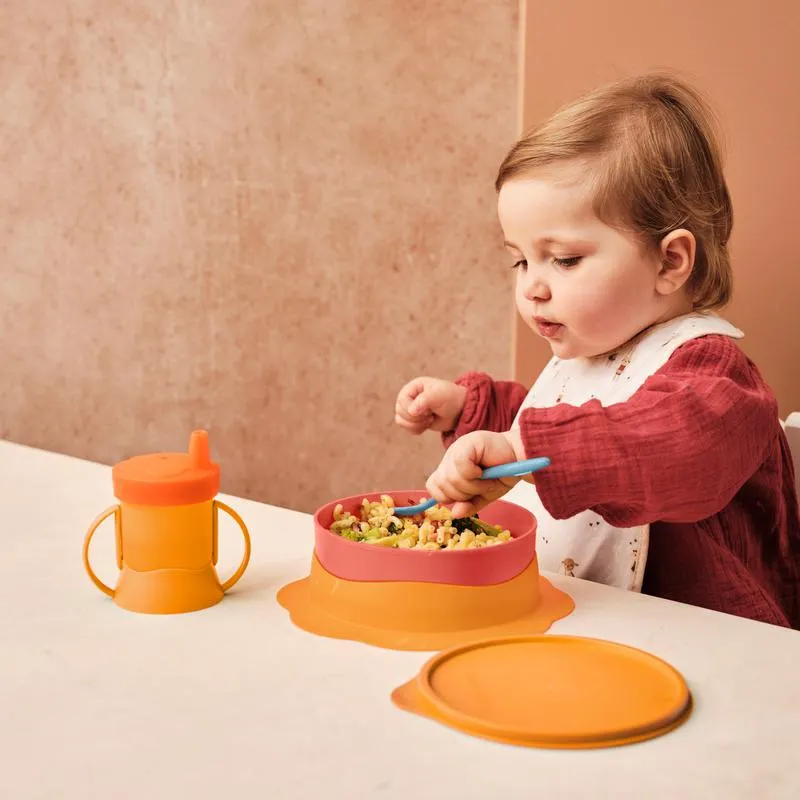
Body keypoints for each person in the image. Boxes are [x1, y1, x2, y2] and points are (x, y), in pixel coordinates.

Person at [394, 74, 800, 627]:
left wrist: (521, 448)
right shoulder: (598, 346)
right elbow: (567, 418)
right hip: (597, 628)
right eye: (520, 260)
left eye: (563, 259)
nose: (532, 287)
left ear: (669, 262)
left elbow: (654, 446)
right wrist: (474, 411)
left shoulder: (718, 381)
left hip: (709, 642)